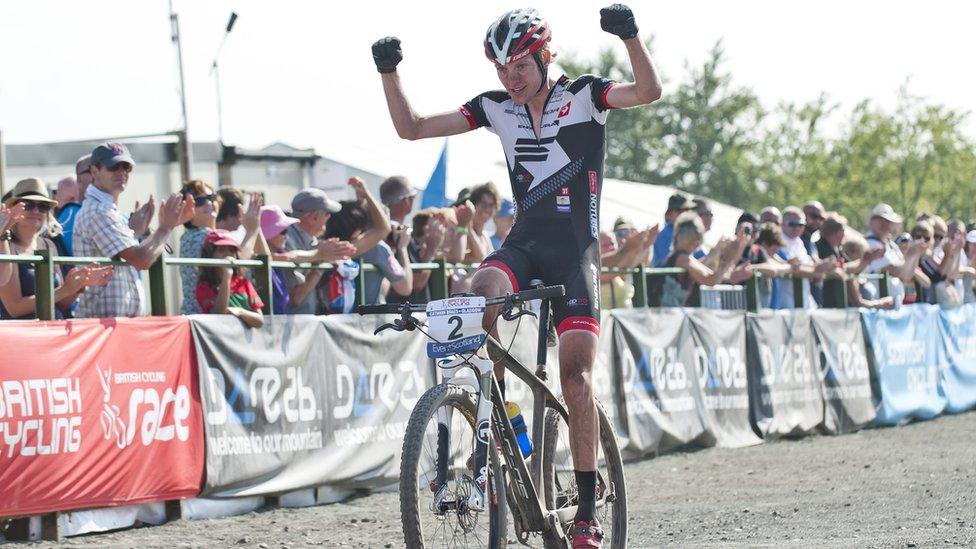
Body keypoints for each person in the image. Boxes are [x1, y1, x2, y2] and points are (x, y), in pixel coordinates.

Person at [373, 4, 662, 543]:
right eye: (503, 69)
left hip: (575, 253)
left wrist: (631, 36)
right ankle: (503, 413)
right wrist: (389, 73)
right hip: (524, 242)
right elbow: (411, 129)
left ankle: (584, 513)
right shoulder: (496, 107)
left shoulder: (585, 96)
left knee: (575, 380)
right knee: (479, 293)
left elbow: (647, 92)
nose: (513, 78)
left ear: (545, 57)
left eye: (522, 66)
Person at [74, 142, 194, 318]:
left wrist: (163, 227)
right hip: (101, 328)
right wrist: (166, 227)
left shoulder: (104, 210)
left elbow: (138, 256)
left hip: (111, 326)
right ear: (94, 171)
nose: (122, 172)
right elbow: (141, 260)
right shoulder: (97, 211)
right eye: (114, 166)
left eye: (127, 167)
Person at [0, 178, 113, 319]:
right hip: (22, 336)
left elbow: (59, 304)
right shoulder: (5, 246)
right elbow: (14, 308)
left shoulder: (49, 245)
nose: (36, 210)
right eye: (28, 205)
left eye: (43, 206)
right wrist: (65, 290)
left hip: (51, 332)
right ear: (14, 209)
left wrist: (79, 285)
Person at [321, 177, 408, 310]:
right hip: (364, 323)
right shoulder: (352, 249)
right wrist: (402, 248)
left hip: (326, 322)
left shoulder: (321, 248)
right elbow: (406, 288)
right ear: (357, 231)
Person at [652, 213, 747, 306]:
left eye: (698, 237)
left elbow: (710, 273)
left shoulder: (684, 258)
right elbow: (711, 280)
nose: (695, 242)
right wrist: (727, 258)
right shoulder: (682, 259)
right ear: (679, 237)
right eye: (690, 236)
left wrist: (725, 257)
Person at [283, 186, 344, 314]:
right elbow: (295, 298)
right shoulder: (286, 240)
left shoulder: (310, 239)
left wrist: (330, 254)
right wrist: (321, 261)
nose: (329, 217)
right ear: (314, 217)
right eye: (327, 213)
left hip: (304, 324)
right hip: (291, 327)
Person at [196, 229, 264, 328]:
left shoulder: (243, 282)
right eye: (221, 250)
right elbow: (218, 315)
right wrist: (227, 276)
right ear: (209, 254)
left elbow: (259, 321)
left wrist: (239, 312)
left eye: (231, 250)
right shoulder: (203, 287)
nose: (227, 254)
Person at [863, 203, 926, 308]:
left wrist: (914, 254)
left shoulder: (890, 245)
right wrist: (910, 254)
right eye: (880, 220)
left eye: (887, 221)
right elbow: (895, 270)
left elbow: (907, 274)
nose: (884, 224)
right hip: (878, 305)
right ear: (871, 222)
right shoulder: (869, 244)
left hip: (891, 306)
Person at [387, 207, 448, 304]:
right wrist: (432, 248)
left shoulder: (420, 248)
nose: (440, 229)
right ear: (425, 229)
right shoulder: (405, 245)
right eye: (435, 226)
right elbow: (417, 283)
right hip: (403, 311)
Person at [56, 154, 92, 256]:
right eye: (92, 170)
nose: (99, 173)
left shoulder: (116, 214)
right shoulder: (71, 214)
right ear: (79, 180)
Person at [651, 192, 695, 267]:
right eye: (679, 210)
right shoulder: (664, 236)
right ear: (669, 214)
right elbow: (666, 265)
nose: (685, 213)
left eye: (688, 210)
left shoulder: (683, 234)